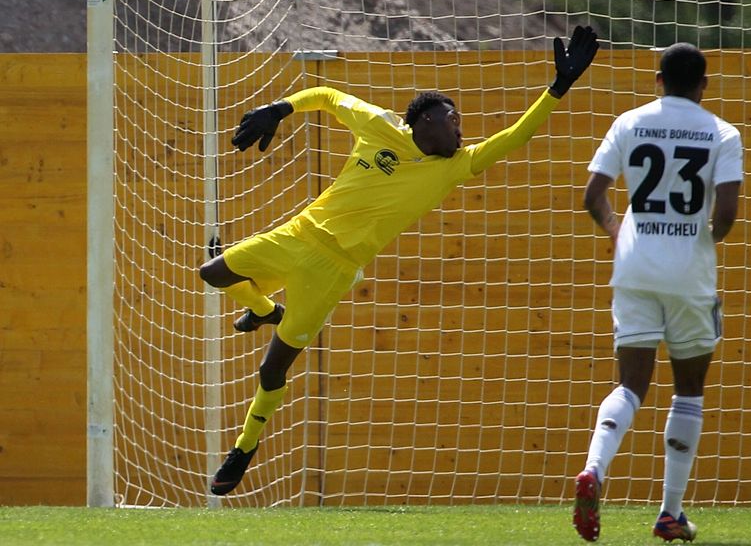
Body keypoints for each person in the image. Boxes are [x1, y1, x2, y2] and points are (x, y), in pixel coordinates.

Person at [199, 26, 599, 496]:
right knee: (213, 272)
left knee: (272, 371)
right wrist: (278, 109)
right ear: (425, 120)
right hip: (297, 234)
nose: (461, 127)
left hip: (332, 269)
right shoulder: (382, 126)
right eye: (453, 118)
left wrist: (558, 88)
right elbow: (327, 95)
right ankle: (267, 309)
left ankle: (245, 446)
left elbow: (516, 135)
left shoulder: (455, 166)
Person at [572, 43, 742, 543]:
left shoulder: (629, 122)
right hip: (690, 275)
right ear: (703, 84)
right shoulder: (722, 134)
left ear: (657, 80)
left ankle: (594, 471)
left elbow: (592, 196)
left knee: (630, 385)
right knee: (687, 389)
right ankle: (670, 512)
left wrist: (614, 229)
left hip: (634, 269)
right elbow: (726, 216)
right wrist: (693, 245)